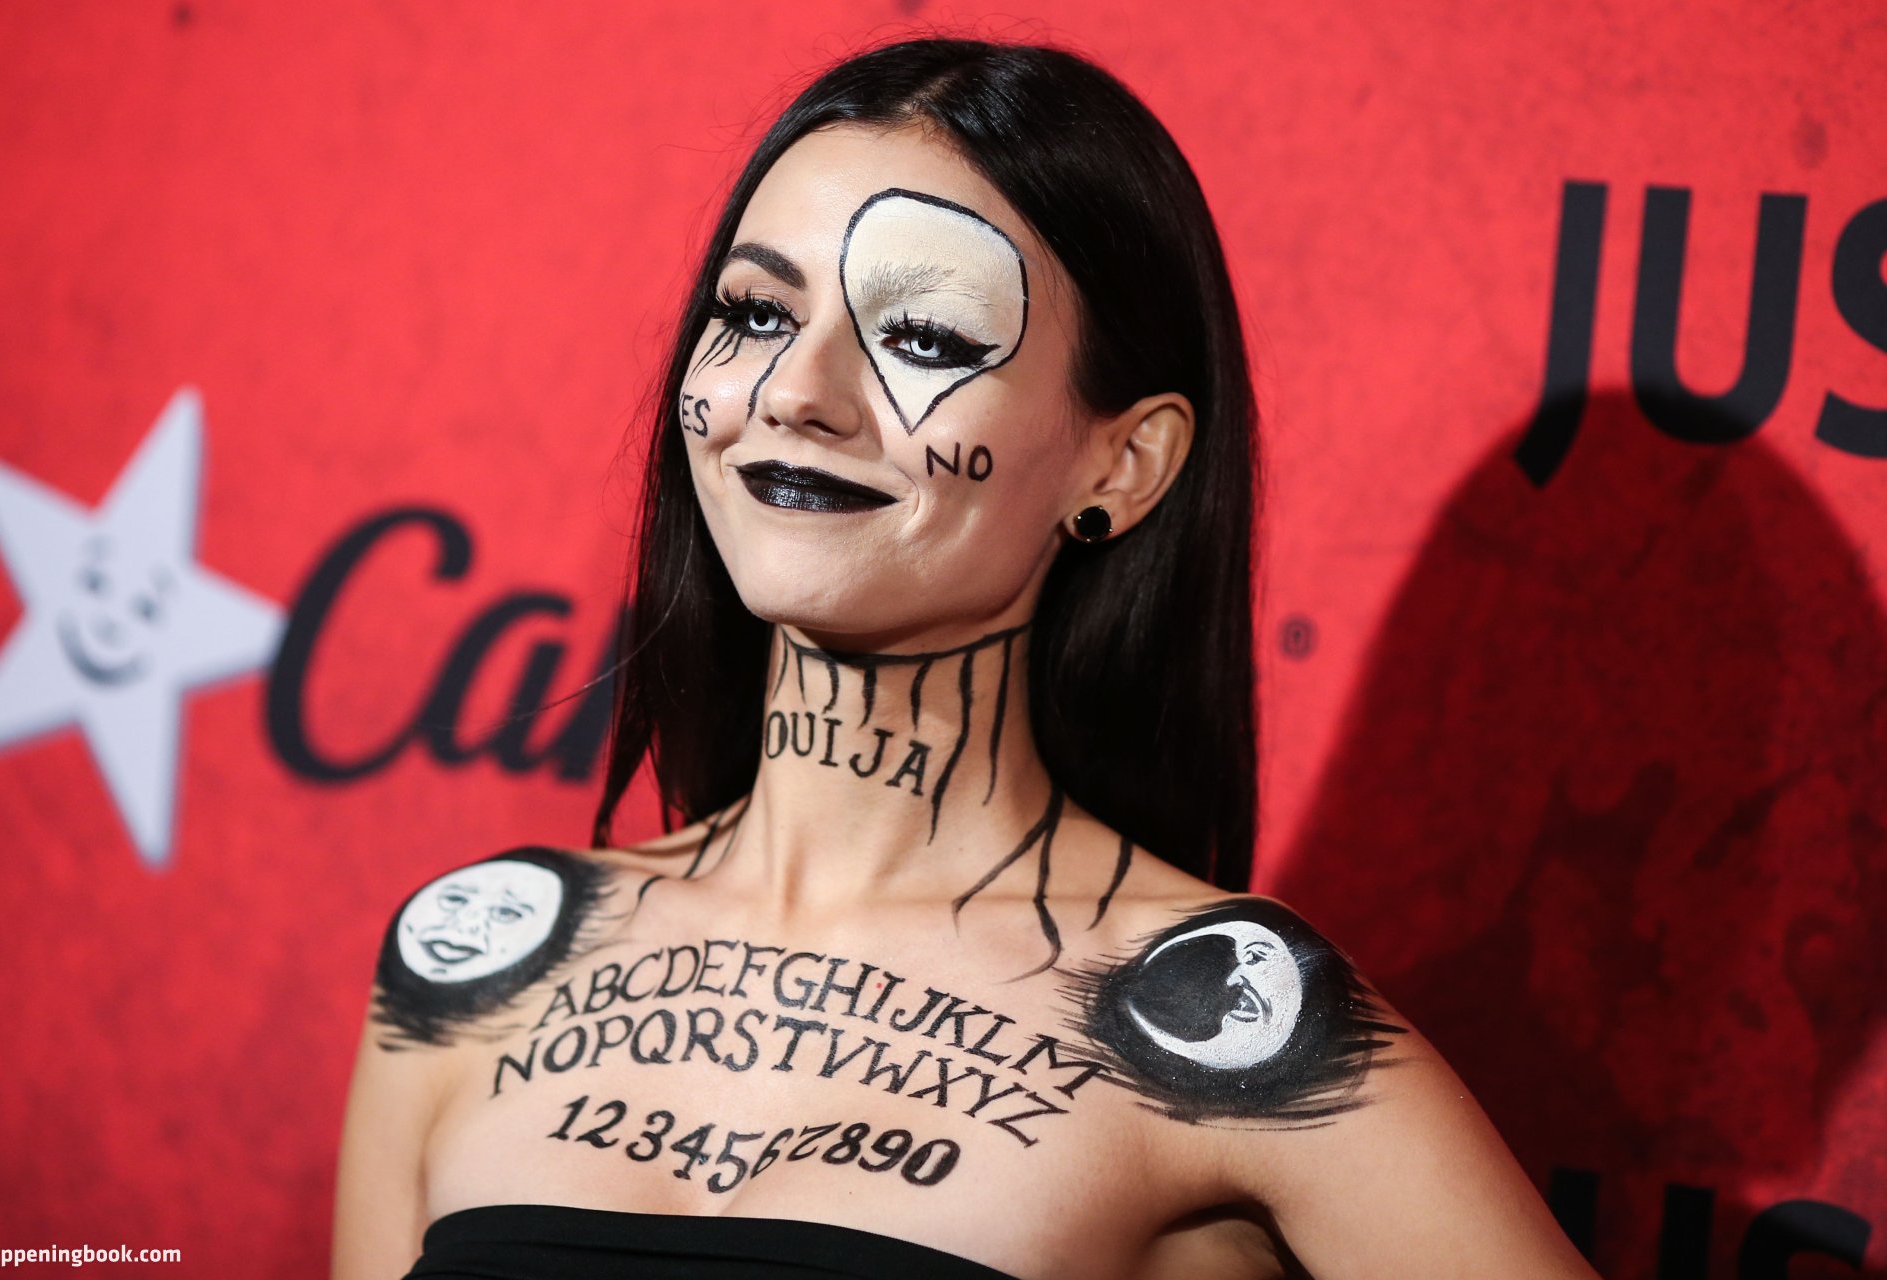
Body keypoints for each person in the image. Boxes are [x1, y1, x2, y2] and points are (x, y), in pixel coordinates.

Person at [332, 36, 1598, 1280]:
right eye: (757, 312)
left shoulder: (1229, 1029)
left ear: (1123, 464)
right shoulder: (473, 967)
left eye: (927, 338)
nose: (797, 391)